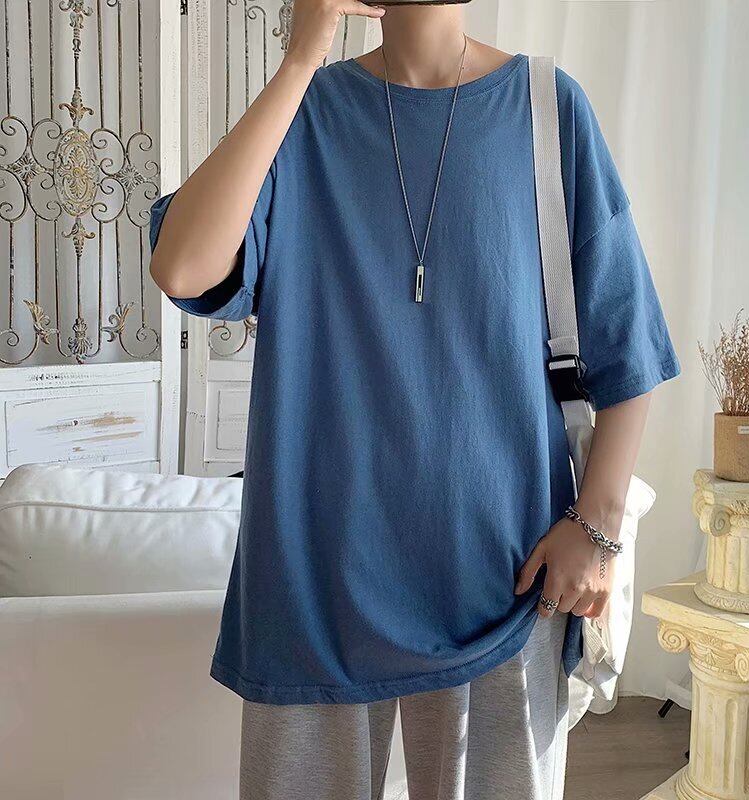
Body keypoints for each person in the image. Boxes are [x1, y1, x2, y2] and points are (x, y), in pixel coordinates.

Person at [149, 1, 680, 797]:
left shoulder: (546, 107)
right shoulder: (307, 113)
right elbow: (184, 268)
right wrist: (300, 60)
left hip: (508, 579)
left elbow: (625, 343)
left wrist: (595, 527)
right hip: (317, 583)